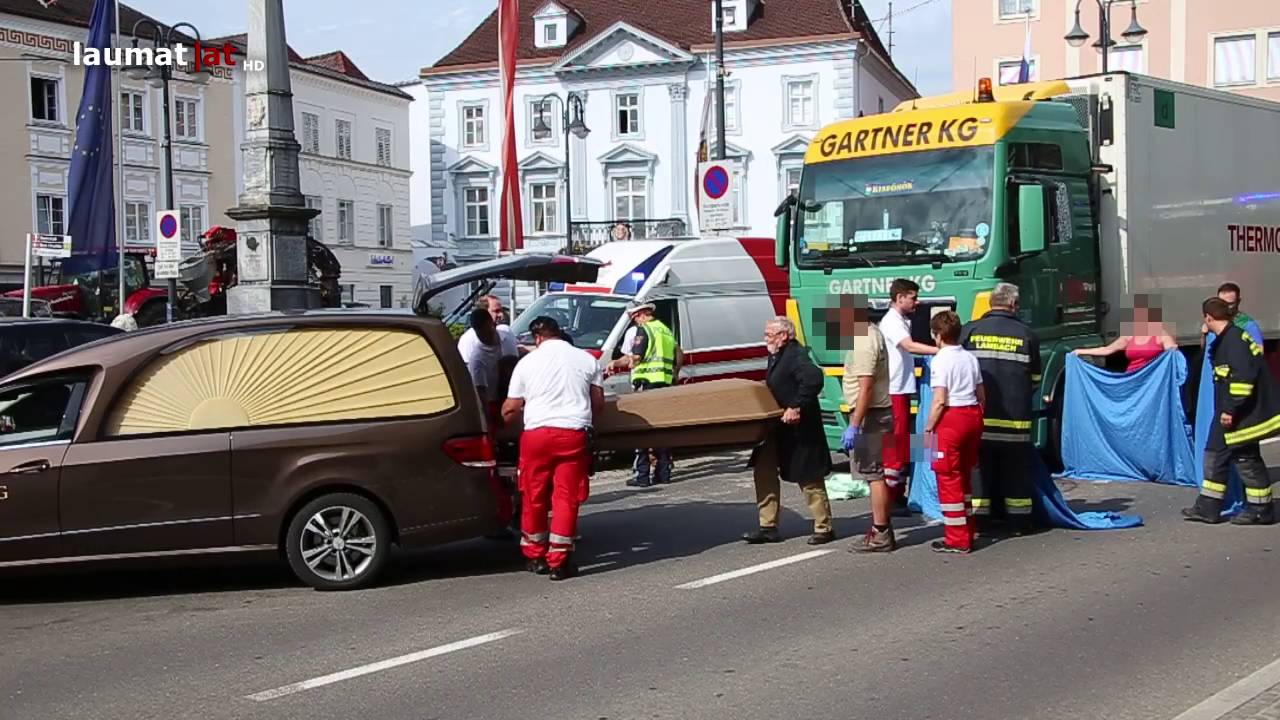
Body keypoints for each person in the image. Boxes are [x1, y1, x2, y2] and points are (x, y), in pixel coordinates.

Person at [502, 316, 604, 580]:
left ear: (537, 338)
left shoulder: (526, 363)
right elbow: (598, 403)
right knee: (566, 498)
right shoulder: (587, 360)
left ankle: (535, 556)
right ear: (559, 333)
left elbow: (512, 407)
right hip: (573, 434)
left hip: (537, 437)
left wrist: (498, 424)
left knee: (533, 496)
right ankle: (559, 561)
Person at [1183, 297, 1280, 526]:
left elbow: (1243, 379)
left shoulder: (1234, 341)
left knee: (1245, 458)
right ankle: (1208, 506)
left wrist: (1229, 409)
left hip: (1242, 414)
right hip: (1232, 412)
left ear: (1207, 318)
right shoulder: (1228, 338)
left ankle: (1261, 509)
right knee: (1216, 455)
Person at [743, 317, 835, 545]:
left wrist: (796, 406)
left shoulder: (796, 355)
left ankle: (824, 527)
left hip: (799, 428)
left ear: (784, 336)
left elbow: (814, 379)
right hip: (776, 425)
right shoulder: (777, 355)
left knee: (808, 476)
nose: (766, 338)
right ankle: (768, 526)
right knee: (763, 469)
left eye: (770, 334)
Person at [960, 282, 1040, 535]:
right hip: (1015, 422)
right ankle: (1019, 523)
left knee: (979, 470)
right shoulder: (1027, 334)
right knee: (1017, 472)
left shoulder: (970, 331)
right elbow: (1035, 379)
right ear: (1014, 305)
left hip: (979, 419)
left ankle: (982, 522)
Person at [923, 311, 986, 554]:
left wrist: (929, 429)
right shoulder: (970, 357)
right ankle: (968, 529)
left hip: (950, 420)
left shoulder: (940, 360)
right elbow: (982, 394)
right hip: (972, 416)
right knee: (965, 477)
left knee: (947, 478)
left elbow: (939, 400)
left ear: (937, 335)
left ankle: (957, 539)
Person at [841, 302, 897, 552]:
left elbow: (866, 388)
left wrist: (855, 424)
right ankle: (882, 527)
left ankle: (880, 533)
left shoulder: (863, 341)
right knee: (876, 474)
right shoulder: (870, 334)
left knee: (873, 475)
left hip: (870, 415)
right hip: (876, 413)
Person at [606, 302, 682, 487]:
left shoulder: (644, 330)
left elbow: (636, 357)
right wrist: (674, 374)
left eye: (634, 318)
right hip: (664, 384)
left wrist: (615, 363)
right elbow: (679, 354)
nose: (635, 322)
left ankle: (642, 476)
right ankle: (663, 473)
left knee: (642, 430)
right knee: (661, 429)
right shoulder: (665, 330)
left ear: (642, 314)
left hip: (647, 386)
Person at [879, 279, 938, 511]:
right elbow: (910, 347)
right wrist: (941, 350)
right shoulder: (893, 322)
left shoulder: (901, 320)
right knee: (896, 443)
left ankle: (897, 491)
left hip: (901, 388)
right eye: (913, 297)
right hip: (894, 390)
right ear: (899, 297)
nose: (917, 301)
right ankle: (891, 497)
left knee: (902, 442)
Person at [1072, 294, 1176, 372]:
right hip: (1132, 378)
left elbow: (1170, 350)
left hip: (1152, 379)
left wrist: (1172, 349)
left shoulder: (1160, 335)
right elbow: (1107, 350)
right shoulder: (1129, 336)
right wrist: (1080, 351)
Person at [460, 308, 502, 415]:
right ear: (476, 331)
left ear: (493, 324)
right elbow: (481, 394)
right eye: (482, 333)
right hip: (492, 405)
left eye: (490, 329)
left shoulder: (504, 337)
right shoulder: (477, 359)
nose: (488, 335)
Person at [1203, 282, 1264, 348]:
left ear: (1239, 301)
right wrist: (1204, 335)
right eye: (1221, 303)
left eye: (1230, 304)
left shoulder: (1247, 324)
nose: (1225, 307)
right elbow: (1205, 349)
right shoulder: (1212, 321)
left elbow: (1259, 352)